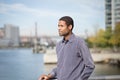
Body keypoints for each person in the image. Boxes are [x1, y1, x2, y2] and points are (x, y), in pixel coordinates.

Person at [38, 16, 95, 80]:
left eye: (62, 26)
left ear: (70, 27)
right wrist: (49, 76)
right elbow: (60, 68)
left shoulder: (79, 42)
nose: (59, 28)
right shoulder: (59, 45)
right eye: (58, 26)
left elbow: (90, 66)